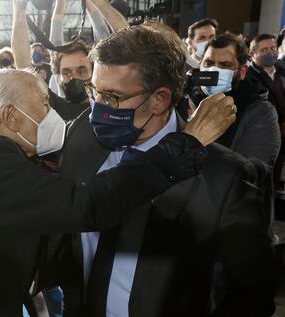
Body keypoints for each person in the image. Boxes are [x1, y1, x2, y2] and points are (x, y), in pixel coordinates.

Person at [0, 68, 233, 317]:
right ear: (11, 117)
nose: (53, 115)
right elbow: (89, 204)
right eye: (43, 105)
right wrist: (187, 143)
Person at [49, 22, 274, 316]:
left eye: (113, 97)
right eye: (95, 91)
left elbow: (251, 297)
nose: (97, 108)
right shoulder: (81, 137)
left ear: (160, 99)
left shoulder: (224, 176)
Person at [188, 33, 281, 166]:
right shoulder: (187, 100)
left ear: (242, 71)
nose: (214, 70)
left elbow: (249, 173)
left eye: (225, 65)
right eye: (208, 63)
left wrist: (199, 137)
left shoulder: (262, 113)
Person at [247, 34, 285, 137]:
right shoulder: (247, 77)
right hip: (264, 131)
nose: (270, 52)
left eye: (273, 48)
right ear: (251, 54)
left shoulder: (282, 70)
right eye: (264, 50)